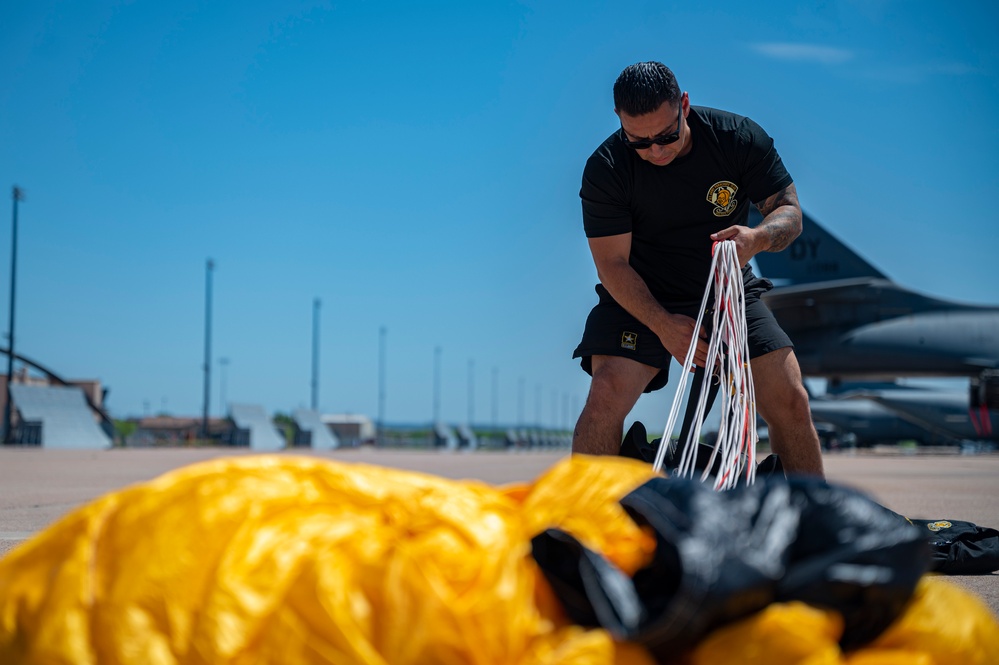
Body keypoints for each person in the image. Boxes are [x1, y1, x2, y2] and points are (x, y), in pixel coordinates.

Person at [571, 61, 824, 477]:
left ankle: (814, 528)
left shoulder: (737, 139)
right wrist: (664, 324)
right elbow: (612, 265)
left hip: (725, 286)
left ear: (683, 105)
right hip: (641, 292)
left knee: (791, 400)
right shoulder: (607, 169)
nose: (656, 150)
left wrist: (757, 239)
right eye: (640, 141)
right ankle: (585, 531)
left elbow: (789, 212)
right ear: (619, 120)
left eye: (667, 135)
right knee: (605, 394)